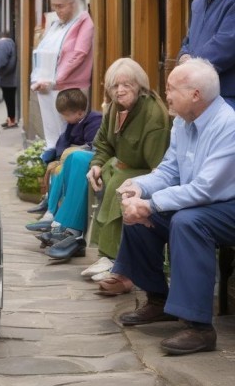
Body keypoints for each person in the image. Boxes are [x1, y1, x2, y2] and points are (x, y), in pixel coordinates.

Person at [113, 59, 235, 355]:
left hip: (227, 204)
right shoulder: (182, 122)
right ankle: (159, 300)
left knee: (188, 222)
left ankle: (199, 328)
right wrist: (138, 188)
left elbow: (207, 187)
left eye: (171, 89)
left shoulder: (228, 125)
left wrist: (151, 204)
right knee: (137, 217)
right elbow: (169, 171)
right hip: (201, 202)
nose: (165, 94)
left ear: (195, 94)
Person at [83, 58, 171, 291]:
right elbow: (103, 143)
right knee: (97, 174)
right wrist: (97, 165)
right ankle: (104, 253)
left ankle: (112, 258)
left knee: (119, 184)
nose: (120, 91)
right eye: (114, 86)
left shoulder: (153, 116)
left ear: (140, 85)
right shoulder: (114, 107)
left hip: (149, 171)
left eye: (127, 85)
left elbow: (159, 167)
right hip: (121, 164)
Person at [25, 89, 102, 260]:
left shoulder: (95, 120)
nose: (64, 118)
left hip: (86, 156)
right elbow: (63, 141)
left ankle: (63, 226)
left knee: (75, 159)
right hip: (75, 156)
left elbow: (93, 144)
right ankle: (54, 215)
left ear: (80, 112)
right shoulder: (73, 124)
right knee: (58, 167)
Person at [30, 0, 94, 148]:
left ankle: (61, 165)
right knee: (51, 133)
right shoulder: (56, 24)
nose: (57, 11)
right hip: (47, 86)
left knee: (65, 133)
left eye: (61, 6)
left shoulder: (84, 22)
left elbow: (79, 54)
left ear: (73, 4)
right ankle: (52, 162)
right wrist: (38, 78)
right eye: (54, 6)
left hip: (68, 88)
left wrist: (54, 79)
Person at [178, 0, 235, 107]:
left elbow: (225, 45)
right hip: (197, 98)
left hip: (228, 99)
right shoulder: (198, 2)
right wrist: (183, 56)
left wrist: (188, 67)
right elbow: (188, 41)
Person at [0, 32, 18, 129]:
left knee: (9, 99)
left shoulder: (3, 44)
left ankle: (11, 120)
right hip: (10, 78)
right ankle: (10, 118)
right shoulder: (10, 43)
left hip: (7, 79)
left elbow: (2, 60)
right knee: (9, 99)